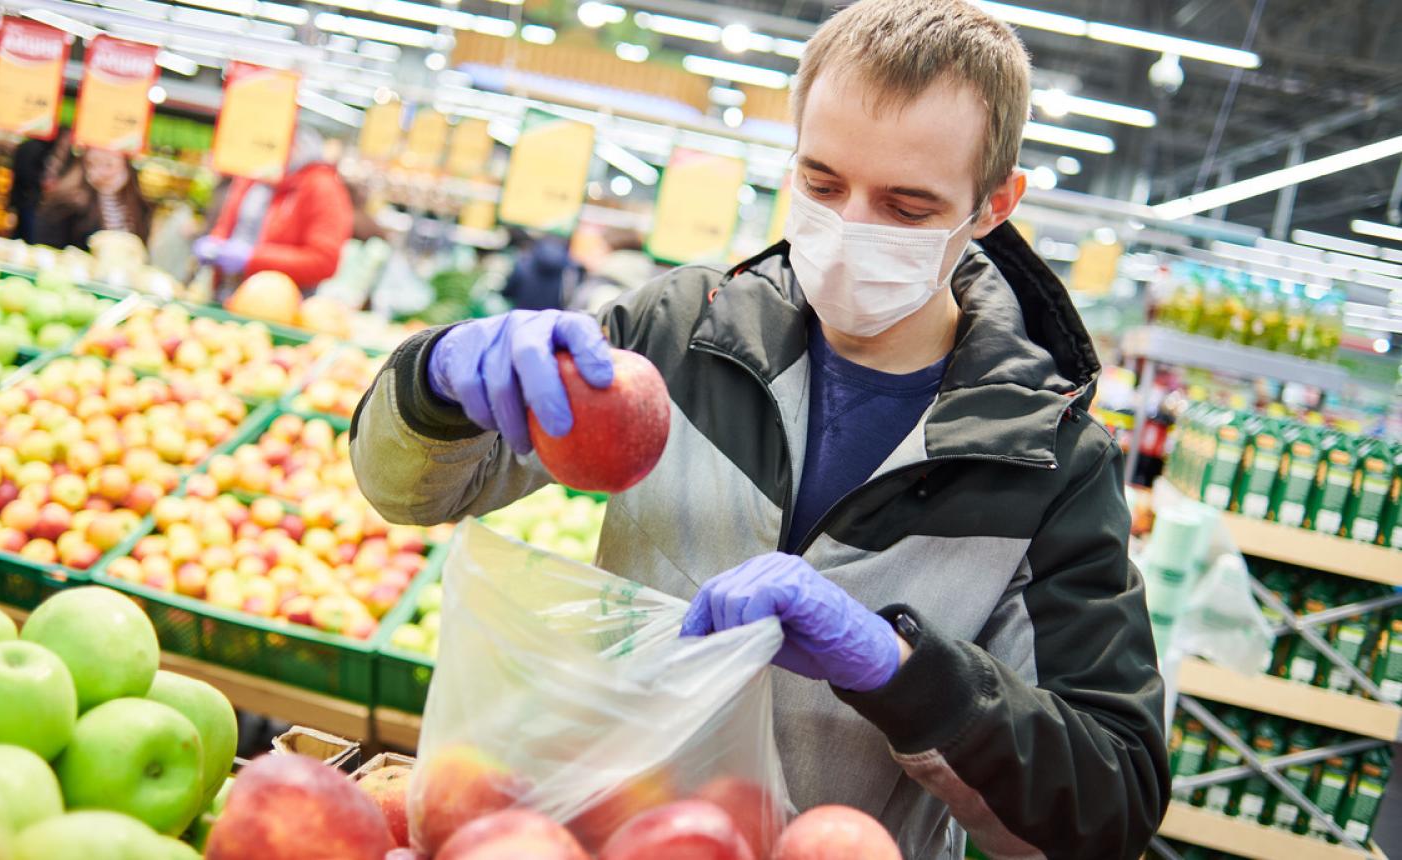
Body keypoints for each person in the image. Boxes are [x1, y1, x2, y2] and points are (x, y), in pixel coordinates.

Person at [350, 1, 1168, 857]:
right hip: (607, 839)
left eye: (908, 208)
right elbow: (412, 490)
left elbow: (1110, 803)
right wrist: (438, 382)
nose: (849, 229)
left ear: (994, 204)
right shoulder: (680, 331)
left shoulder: (1049, 464)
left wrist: (902, 671)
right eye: (821, 184)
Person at [194, 126, 353, 290]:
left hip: (279, 300)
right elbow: (230, 222)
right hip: (223, 290)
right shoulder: (253, 172)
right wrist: (216, 242)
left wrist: (253, 259)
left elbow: (324, 260)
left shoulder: (322, 187)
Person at [35, 147, 150, 250]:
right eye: (92, 164)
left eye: (108, 164)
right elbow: (48, 248)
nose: (100, 172)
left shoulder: (141, 205)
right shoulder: (67, 204)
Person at [8, 130, 75, 243]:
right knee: (30, 237)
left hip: (31, 201)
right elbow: (26, 176)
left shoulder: (64, 155)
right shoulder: (39, 149)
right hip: (32, 201)